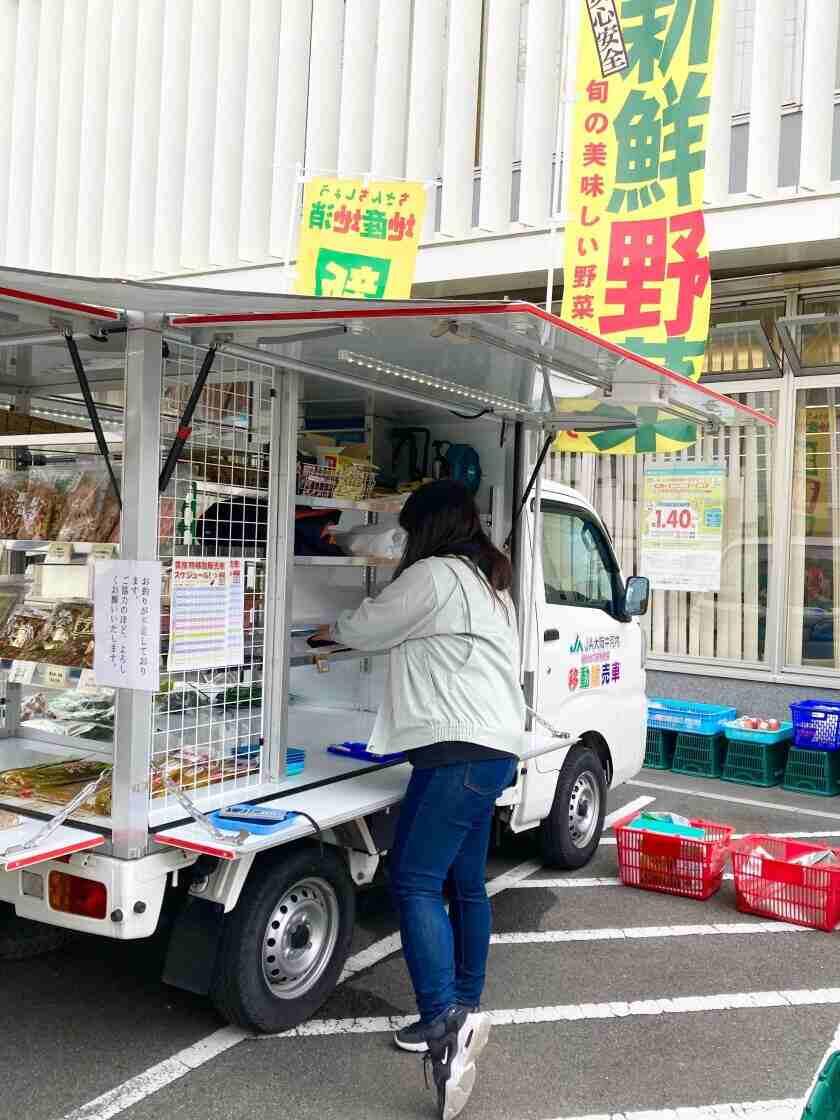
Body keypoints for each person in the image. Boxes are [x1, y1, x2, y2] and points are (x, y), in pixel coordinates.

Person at [310, 480, 526, 1120]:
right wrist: (339, 536)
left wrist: (328, 632)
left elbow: (368, 626)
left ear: (426, 527)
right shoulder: (486, 579)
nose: (402, 540)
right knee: (465, 885)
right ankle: (464, 1008)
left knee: (412, 880)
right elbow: (388, 577)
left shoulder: (433, 576)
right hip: (489, 752)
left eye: (408, 527)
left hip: (456, 755)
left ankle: (443, 1022)